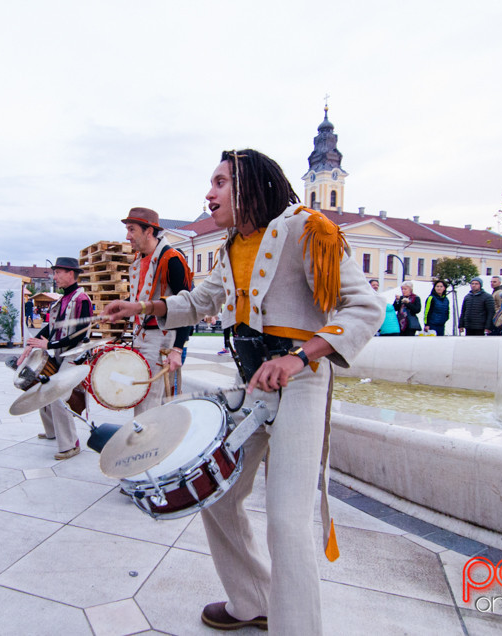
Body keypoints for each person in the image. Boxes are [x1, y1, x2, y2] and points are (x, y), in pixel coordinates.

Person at [103, 149, 382, 634]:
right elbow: (199, 301)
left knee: (286, 521)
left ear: (250, 183)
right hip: (250, 387)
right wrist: (140, 307)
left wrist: (298, 356)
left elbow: (364, 308)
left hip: (301, 384)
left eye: (219, 182)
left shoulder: (309, 228)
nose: (208, 193)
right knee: (217, 495)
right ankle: (252, 599)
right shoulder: (233, 245)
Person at [16, 257, 92, 460]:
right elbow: (50, 329)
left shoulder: (82, 299)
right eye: (55, 272)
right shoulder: (61, 301)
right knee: (41, 387)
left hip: (74, 356)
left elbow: (79, 333)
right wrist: (31, 344)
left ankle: (71, 444)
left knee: (58, 395)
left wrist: (49, 345)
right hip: (60, 353)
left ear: (71, 274)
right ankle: (52, 431)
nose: (55, 276)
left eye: (58, 272)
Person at [121, 207, 193, 413]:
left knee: (152, 402)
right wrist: (122, 307)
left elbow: (187, 306)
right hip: (141, 336)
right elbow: (142, 299)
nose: (127, 236)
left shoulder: (172, 258)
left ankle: (147, 444)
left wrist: (178, 348)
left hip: (163, 339)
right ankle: (149, 442)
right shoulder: (138, 260)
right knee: (143, 398)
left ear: (149, 231)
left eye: (132, 229)